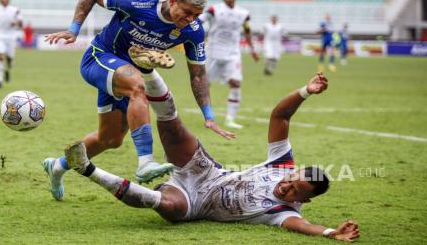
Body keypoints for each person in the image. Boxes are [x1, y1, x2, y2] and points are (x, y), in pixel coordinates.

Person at [64, 71, 360, 242]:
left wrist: (331, 232)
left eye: (296, 191)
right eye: (292, 180)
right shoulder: (282, 163)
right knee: (174, 129)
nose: (287, 187)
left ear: (304, 200)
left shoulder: (284, 213)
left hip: (195, 204)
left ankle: (86, 168)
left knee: (165, 204)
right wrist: (306, 91)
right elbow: (280, 115)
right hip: (207, 172)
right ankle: (150, 69)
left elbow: (306, 227)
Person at [42, 0, 234, 201]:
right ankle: (145, 162)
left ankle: (57, 166)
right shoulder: (137, 0)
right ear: (173, 1)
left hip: (125, 75)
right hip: (99, 58)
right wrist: (73, 30)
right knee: (138, 86)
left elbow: (198, 74)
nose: (191, 19)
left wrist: (208, 116)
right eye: (188, 12)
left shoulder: (193, 31)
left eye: (196, 15)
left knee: (110, 139)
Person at [199, 0, 260, 129]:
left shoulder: (243, 13)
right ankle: (208, 117)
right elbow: (199, 22)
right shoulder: (213, 10)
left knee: (235, 83)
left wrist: (253, 49)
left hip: (233, 53)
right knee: (204, 85)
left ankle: (230, 119)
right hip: (212, 52)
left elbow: (247, 31)